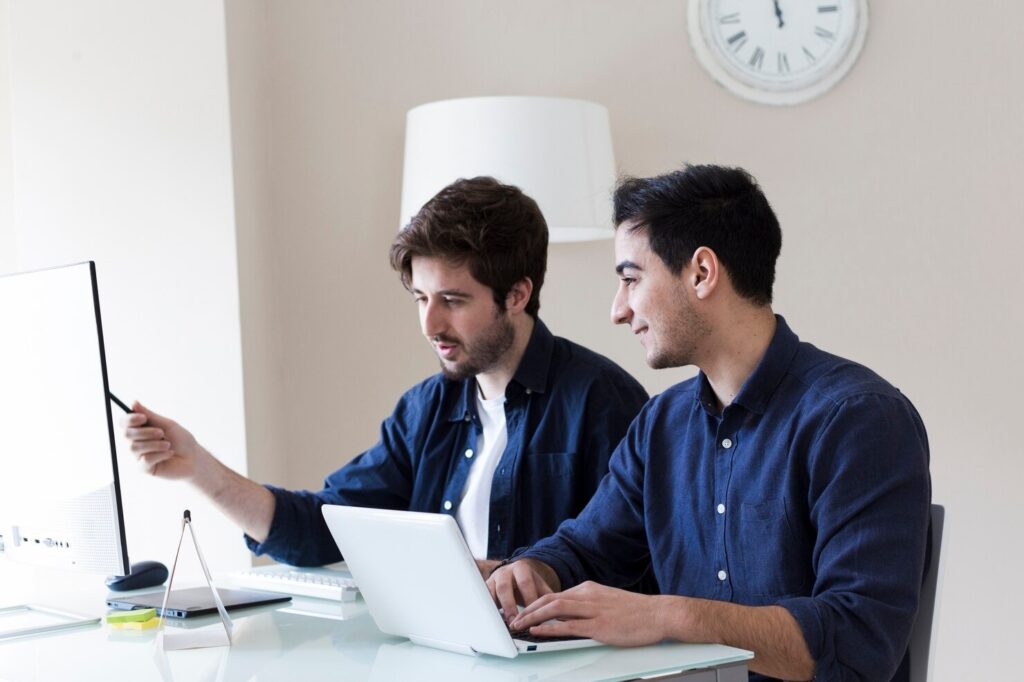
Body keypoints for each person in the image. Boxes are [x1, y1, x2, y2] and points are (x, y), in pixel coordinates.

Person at [487, 165, 931, 681]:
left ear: (702, 273)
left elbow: (859, 639)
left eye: (631, 279)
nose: (618, 310)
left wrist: (669, 615)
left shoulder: (858, 419)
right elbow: (587, 549)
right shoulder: (661, 423)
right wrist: (531, 570)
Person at [123, 176, 649, 575]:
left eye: (452, 300)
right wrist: (199, 469)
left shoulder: (604, 400)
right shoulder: (425, 410)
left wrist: (523, 577)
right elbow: (325, 527)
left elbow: (631, 564)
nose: (430, 324)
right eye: (420, 298)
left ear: (517, 294)